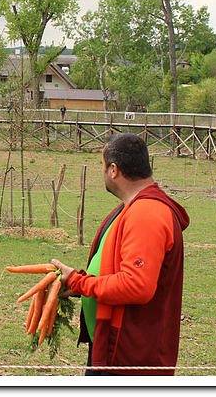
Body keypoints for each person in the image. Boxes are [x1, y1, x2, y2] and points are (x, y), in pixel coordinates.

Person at [51, 133, 189, 376]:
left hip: (128, 358)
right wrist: (82, 285)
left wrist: (79, 281)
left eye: (102, 166)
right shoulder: (132, 208)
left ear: (113, 169)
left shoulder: (147, 213)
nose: (102, 172)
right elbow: (119, 269)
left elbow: (136, 285)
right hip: (111, 349)